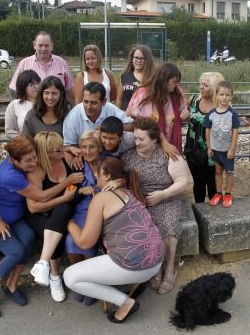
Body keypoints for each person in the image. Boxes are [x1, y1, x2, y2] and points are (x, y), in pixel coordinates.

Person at [0, 135, 72, 319]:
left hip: (14, 218)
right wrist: (66, 183)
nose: (34, 162)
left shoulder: (25, 164)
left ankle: (11, 286)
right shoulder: (10, 176)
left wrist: (71, 150)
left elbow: (50, 148)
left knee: (28, 237)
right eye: (28, 161)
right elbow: (41, 196)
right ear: (13, 160)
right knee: (16, 252)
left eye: (35, 157)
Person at [63, 157, 164, 324]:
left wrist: (68, 223)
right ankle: (136, 283)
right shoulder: (128, 191)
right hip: (156, 261)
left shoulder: (101, 199)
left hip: (134, 265)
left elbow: (84, 242)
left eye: (98, 172)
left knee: (70, 277)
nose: (95, 174)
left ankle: (125, 303)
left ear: (108, 177)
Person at [122, 118, 189, 295]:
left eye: (141, 139)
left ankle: (169, 270)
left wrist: (163, 195)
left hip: (167, 198)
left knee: (168, 227)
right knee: (142, 228)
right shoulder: (128, 157)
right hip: (140, 201)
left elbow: (182, 182)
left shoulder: (169, 154)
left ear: (154, 139)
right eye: (135, 138)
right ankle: (155, 267)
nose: (137, 142)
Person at [26, 132, 83, 302]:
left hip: (61, 211)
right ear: (45, 153)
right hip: (40, 212)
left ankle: (43, 265)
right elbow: (33, 207)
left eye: (61, 145)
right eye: (56, 149)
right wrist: (64, 192)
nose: (61, 149)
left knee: (63, 210)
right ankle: (55, 276)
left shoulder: (65, 155)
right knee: (52, 231)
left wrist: (75, 151)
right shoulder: (36, 171)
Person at [65, 130, 104, 305]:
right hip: (82, 208)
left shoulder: (107, 164)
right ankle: (80, 282)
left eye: (92, 147)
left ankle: (92, 285)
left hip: (102, 209)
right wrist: (80, 191)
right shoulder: (77, 165)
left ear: (99, 147)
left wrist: (98, 189)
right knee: (71, 240)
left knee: (89, 240)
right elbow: (70, 191)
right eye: (84, 147)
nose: (87, 151)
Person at [126, 62, 189, 152]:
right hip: (146, 147)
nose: (177, 85)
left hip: (171, 145)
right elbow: (128, 117)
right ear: (164, 80)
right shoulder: (143, 94)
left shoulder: (178, 94)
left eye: (178, 82)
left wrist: (186, 116)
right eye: (174, 82)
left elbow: (183, 117)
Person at [185, 72, 225, 203]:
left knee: (213, 186)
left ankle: (214, 218)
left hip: (213, 153)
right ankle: (199, 213)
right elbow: (183, 116)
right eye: (201, 84)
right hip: (193, 151)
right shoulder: (193, 100)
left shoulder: (222, 106)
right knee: (198, 184)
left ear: (214, 88)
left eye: (205, 85)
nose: (201, 87)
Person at [8, 31, 75, 107]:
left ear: (52, 46)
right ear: (34, 45)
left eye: (46, 45)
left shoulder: (62, 63)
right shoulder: (24, 64)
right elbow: (15, 90)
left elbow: (70, 92)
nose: (43, 49)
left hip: (58, 112)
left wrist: (74, 111)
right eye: (40, 45)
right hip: (32, 111)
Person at [62, 82, 132, 150]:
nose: (88, 106)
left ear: (104, 102)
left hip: (111, 152)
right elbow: (68, 146)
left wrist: (110, 128)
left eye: (93, 103)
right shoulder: (72, 116)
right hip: (85, 154)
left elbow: (132, 126)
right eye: (86, 101)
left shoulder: (111, 109)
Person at [204, 81, 241, 208]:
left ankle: (228, 194)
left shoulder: (232, 114)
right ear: (216, 95)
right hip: (216, 150)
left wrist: (232, 148)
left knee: (229, 172)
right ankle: (218, 193)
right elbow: (207, 130)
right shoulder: (212, 114)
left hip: (227, 151)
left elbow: (235, 131)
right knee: (218, 171)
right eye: (221, 94)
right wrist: (209, 147)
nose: (224, 98)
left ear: (231, 96)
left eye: (227, 95)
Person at [116, 45, 156, 111]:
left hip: (146, 118)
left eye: (142, 58)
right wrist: (117, 116)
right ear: (132, 58)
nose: (138, 61)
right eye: (136, 58)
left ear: (148, 60)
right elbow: (119, 99)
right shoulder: (124, 76)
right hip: (127, 117)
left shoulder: (154, 77)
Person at [5, 70, 41, 139]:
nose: (36, 86)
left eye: (38, 83)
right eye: (31, 84)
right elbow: (9, 131)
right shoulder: (14, 105)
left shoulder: (46, 102)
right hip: (25, 145)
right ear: (23, 87)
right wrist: (27, 139)